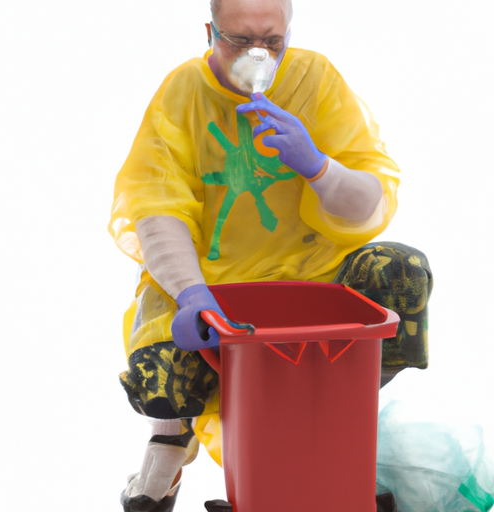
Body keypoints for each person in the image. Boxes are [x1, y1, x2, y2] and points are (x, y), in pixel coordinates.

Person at [109, 0, 432, 510]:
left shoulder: (315, 78)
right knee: (159, 364)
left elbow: (371, 196)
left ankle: (335, 430)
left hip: (312, 277)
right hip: (217, 283)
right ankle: (169, 443)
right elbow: (156, 204)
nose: (258, 54)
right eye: (239, 40)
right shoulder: (184, 92)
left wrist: (319, 167)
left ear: (288, 32)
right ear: (209, 31)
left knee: (402, 271)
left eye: (272, 40)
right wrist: (192, 294)